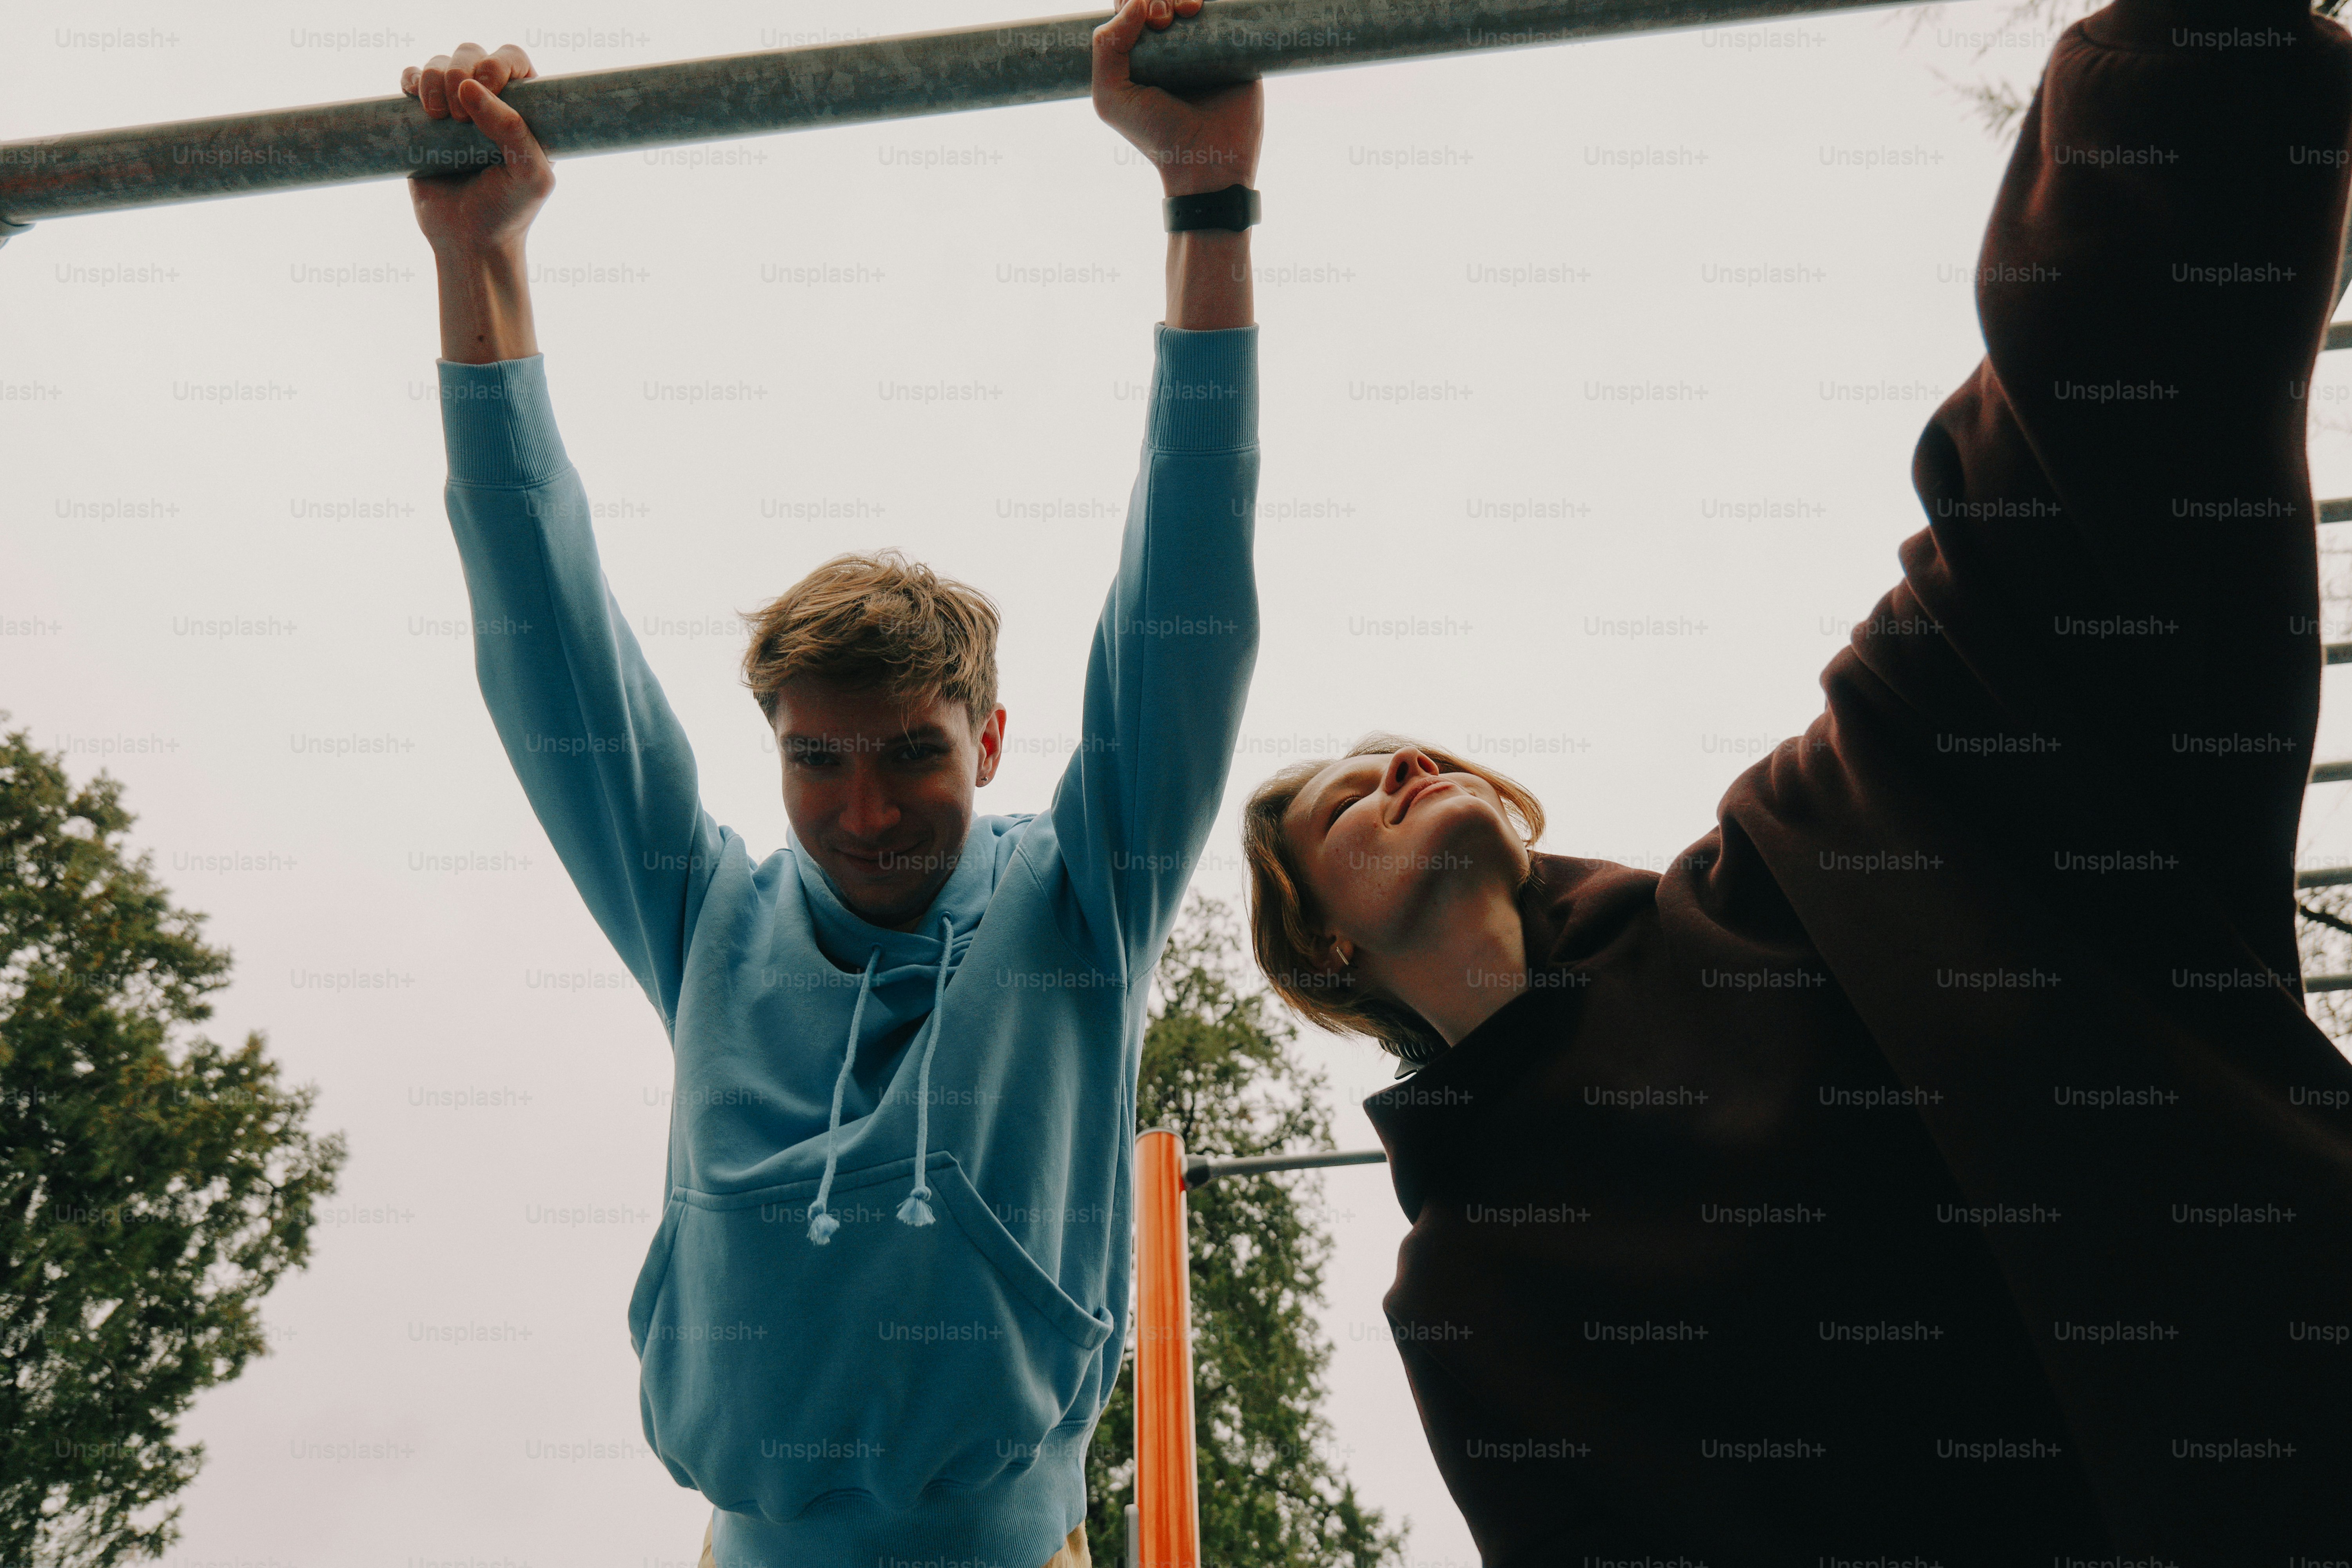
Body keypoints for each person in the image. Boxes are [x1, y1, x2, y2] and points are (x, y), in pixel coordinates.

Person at [1240, 0, 2352, 1559]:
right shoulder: (1474, 1296)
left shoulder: (1802, 863)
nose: (1398, 764)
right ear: (1326, 956)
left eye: (1411, 748)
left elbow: (2047, 510)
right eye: (1339, 803)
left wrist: (2189, 51)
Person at [400, 4, 1262, 1564]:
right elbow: (551, 652)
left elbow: (1188, 602)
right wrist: (482, 263)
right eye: (818, 762)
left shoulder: (1083, 904)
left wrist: (1205, 207)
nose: (864, 813)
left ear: (988, 744)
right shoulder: (711, 920)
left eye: (912, 756)